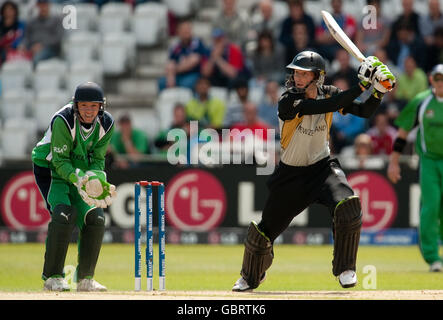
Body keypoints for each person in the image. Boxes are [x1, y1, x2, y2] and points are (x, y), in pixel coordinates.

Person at [232, 50, 395, 291]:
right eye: (296, 72)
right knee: (263, 233)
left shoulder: (330, 92)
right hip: (291, 175)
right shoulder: (287, 101)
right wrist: (364, 84)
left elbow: (364, 111)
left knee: (348, 205)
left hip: (322, 169)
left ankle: (346, 268)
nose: (297, 78)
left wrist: (379, 91)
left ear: (317, 77)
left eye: (303, 73)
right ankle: (250, 276)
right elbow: (327, 105)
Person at [31, 82, 117, 292]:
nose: (88, 111)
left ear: (101, 107)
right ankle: (53, 277)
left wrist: (96, 179)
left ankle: (85, 279)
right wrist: (79, 179)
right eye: (84, 105)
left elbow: (97, 159)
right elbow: (59, 161)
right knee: (63, 214)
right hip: (50, 169)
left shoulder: (106, 123)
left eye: (93, 106)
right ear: (76, 105)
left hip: (81, 173)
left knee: (96, 218)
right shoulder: (63, 120)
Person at [387, 64, 443, 272]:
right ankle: (432, 258)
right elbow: (402, 134)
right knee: (431, 206)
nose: (441, 83)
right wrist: (394, 162)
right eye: (437, 79)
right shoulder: (421, 101)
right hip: (429, 161)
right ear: (431, 80)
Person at [158, 19, 208, 91]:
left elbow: (195, 60)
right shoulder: (175, 46)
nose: (186, 31)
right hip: (177, 75)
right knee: (162, 82)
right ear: (178, 31)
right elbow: (171, 63)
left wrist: (175, 69)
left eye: (188, 29)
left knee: (186, 84)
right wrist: (171, 76)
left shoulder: (198, 43)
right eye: (184, 29)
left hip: (193, 74)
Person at [21, 0, 64, 65]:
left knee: (36, 59)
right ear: (37, 6)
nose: (43, 7)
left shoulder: (56, 20)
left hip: (50, 49)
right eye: (40, 5)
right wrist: (25, 46)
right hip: (32, 49)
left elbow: (58, 38)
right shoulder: (31, 22)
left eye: (44, 5)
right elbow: (27, 37)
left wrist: (42, 45)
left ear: (49, 6)